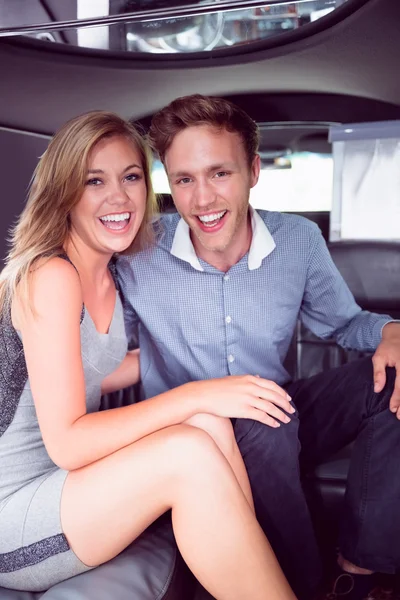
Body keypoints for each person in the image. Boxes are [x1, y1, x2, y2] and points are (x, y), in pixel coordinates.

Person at [0, 110, 296, 600]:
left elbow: (97, 370)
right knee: (187, 448)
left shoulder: (108, 273)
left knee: (207, 423)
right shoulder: (51, 276)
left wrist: (213, 374)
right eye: (94, 181)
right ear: (64, 193)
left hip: (64, 487)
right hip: (14, 513)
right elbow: (70, 445)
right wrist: (198, 390)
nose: (118, 197)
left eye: (131, 177)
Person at [117, 95, 400, 600]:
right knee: (267, 422)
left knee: (388, 380)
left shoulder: (299, 241)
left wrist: (391, 332)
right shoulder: (138, 255)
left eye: (219, 173)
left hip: (282, 412)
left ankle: (355, 575)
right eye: (184, 179)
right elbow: (108, 348)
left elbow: (346, 323)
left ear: (252, 170)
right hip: (191, 436)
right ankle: (298, 587)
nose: (202, 199)